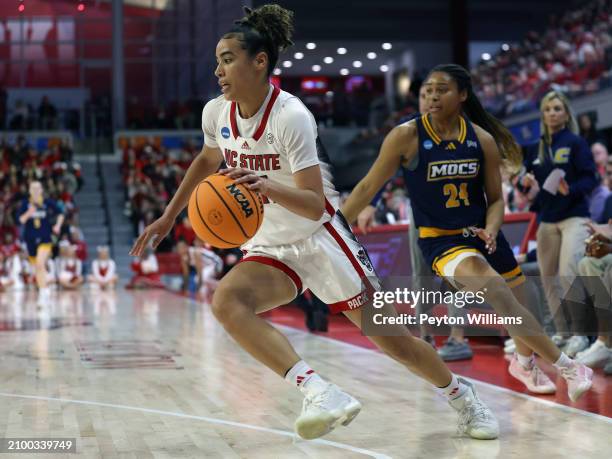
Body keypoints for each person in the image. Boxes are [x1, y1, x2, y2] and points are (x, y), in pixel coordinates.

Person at [131, 5, 499, 441]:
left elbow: (314, 204)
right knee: (227, 302)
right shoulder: (217, 113)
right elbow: (207, 158)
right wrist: (169, 216)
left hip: (321, 237)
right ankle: (320, 391)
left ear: (260, 61)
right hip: (270, 244)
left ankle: (463, 397)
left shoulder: (291, 116)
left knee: (394, 341)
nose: (218, 71)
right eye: (217, 61)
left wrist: (265, 185)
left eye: (227, 58)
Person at [341, 64, 593, 400]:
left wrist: (491, 228)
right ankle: (568, 367)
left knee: (521, 304)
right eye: (427, 90)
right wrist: (333, 225)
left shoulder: (482, 139)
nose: (431, 95)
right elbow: (368, 186)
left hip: (483, 235)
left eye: (441, 89)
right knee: (497, 291)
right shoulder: (406, 136)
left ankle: (523, 362)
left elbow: (497, 200)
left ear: (462, 95)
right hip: (441, 239)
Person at [358, 83, 473, 361]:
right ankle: (426, 336)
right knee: (421, 279)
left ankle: (458, 338)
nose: (428, 100)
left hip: (459, 214)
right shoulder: (408, 133)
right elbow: (384, 171)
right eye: (423, 96)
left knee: (457, 277)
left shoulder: (464, 130)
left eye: (434, 95)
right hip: (421, 215)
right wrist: (370, 205)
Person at [520, 91, 598, 357]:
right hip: (547, 220)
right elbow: (530, 188)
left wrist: (571, 189)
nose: (552, 113)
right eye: (548, 109)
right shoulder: (536, 148)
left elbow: (591, 179)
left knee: (568, 274)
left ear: (566, 113)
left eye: (557, 108)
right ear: (542, 114)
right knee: (548, 278)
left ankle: (581, 335)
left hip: (574, 216)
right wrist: (525, 185)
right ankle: (562, 332)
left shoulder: (576, 143)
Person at [17, 181, 64, 304]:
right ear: (29, 191)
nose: (36, 190)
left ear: (42, 190)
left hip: (45, 239)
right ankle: (44, 289)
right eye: (33, 188)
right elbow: (20, 220)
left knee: (40, 262)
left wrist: (57, 226)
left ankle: (43, 293)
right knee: (37, 268)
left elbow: (61, 213)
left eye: (38, 188)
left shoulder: (47, 203)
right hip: (30, 240)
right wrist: (29, 213)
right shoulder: (25, 204)